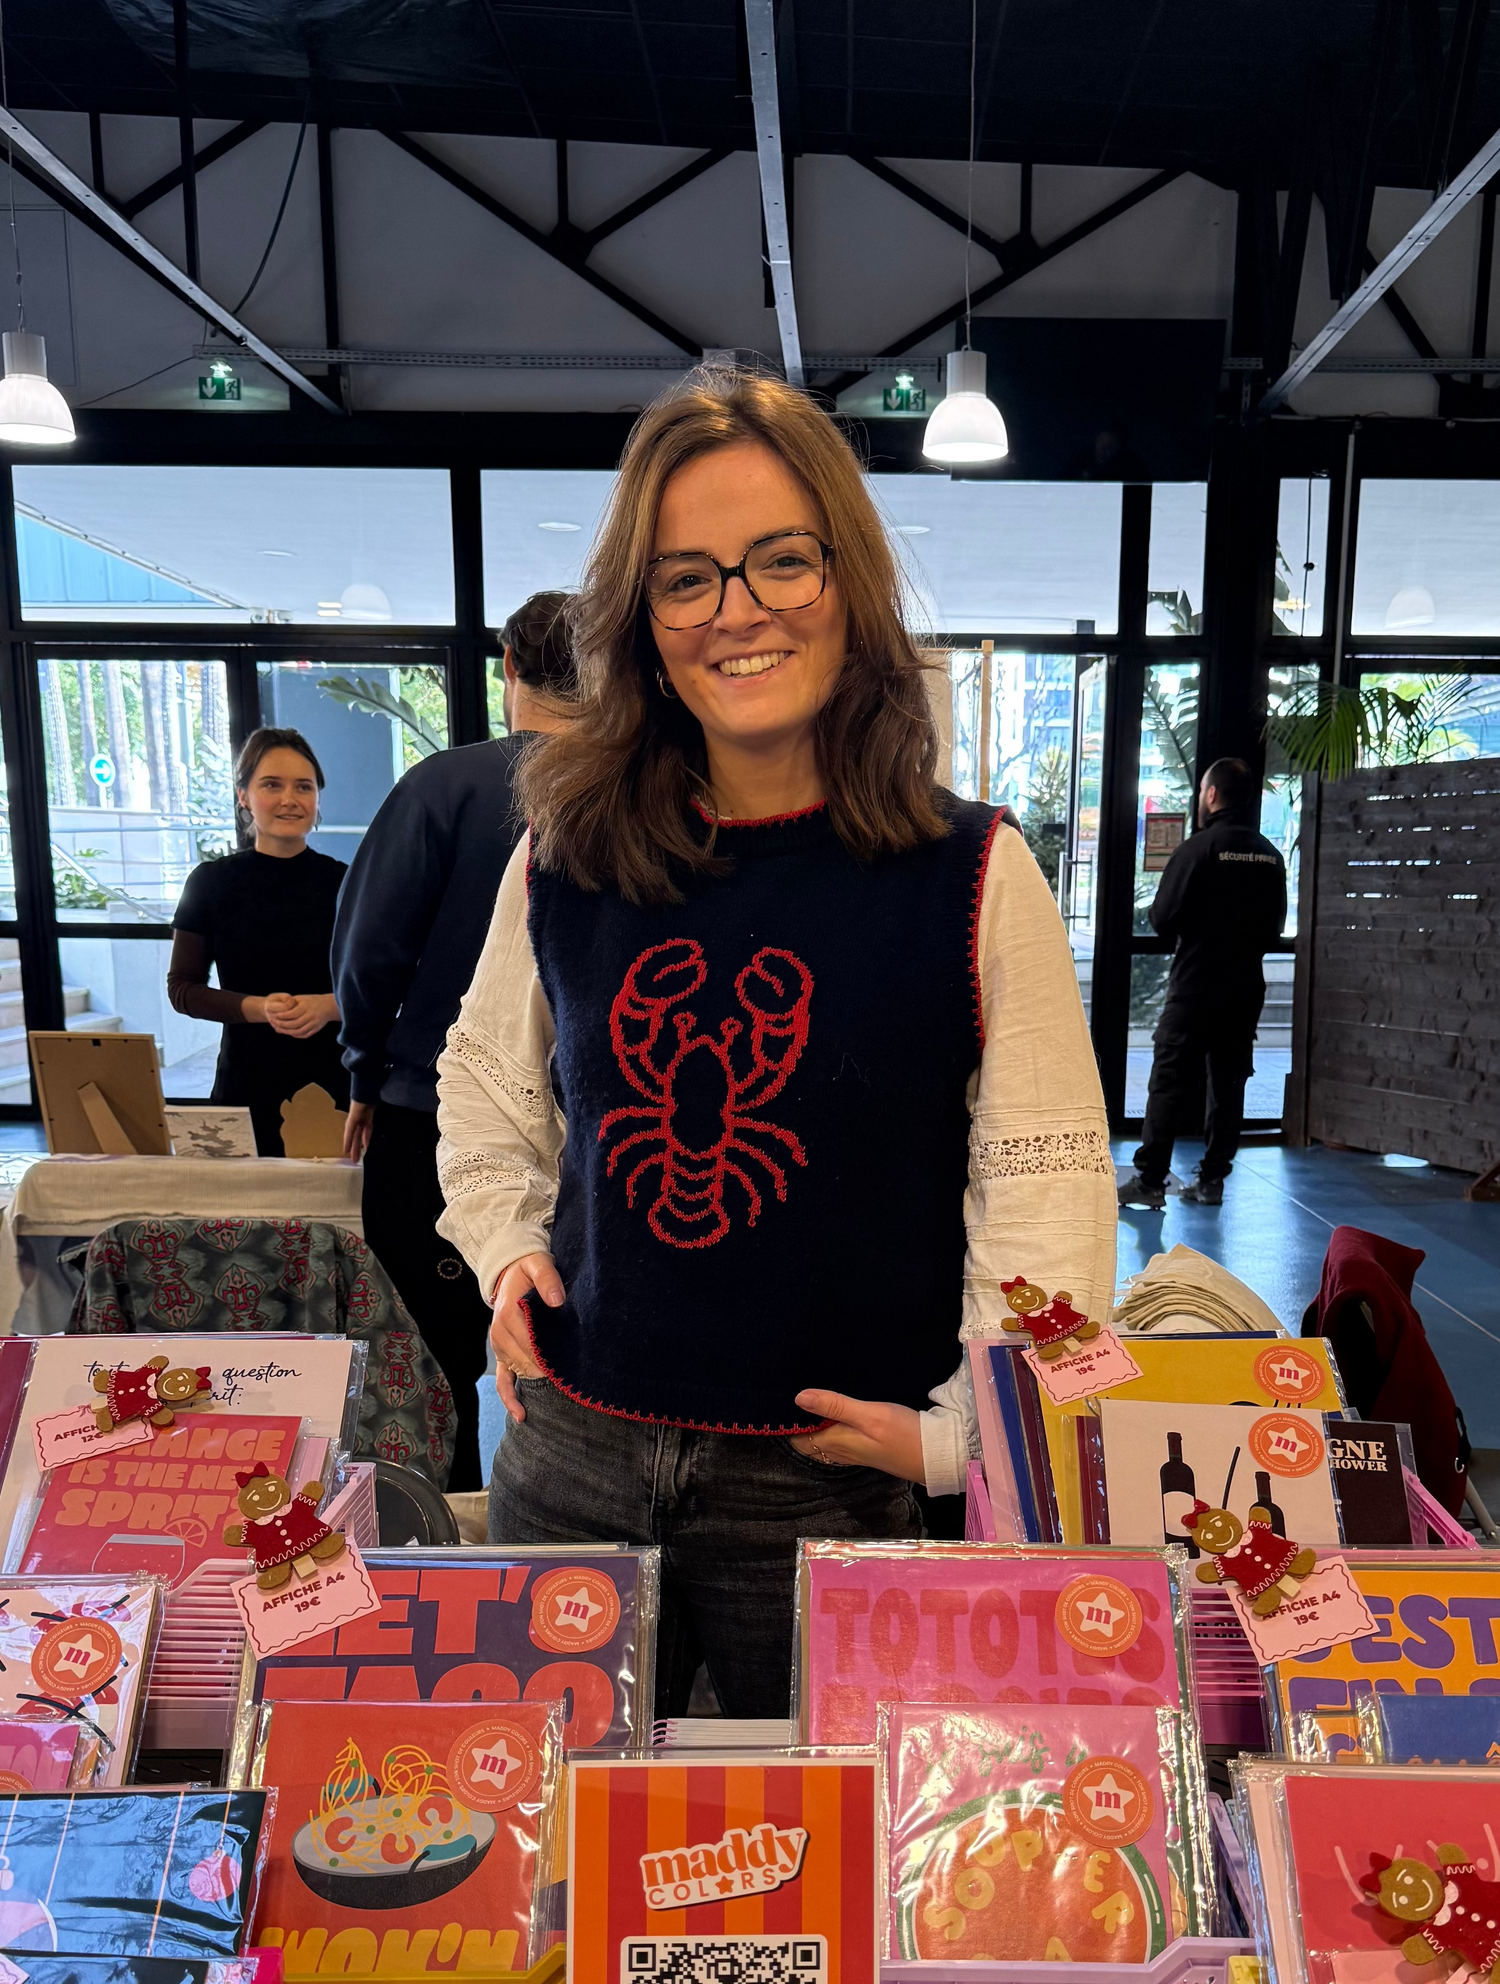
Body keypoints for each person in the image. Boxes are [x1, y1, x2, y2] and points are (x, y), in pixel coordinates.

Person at [434, 368, 1116, 1717]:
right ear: (644, 624)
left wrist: (960, 1442)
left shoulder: (979, 873)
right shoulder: (563, 851)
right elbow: (486, 1078)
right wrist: (505, 1244)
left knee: (830, 1839)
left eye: (782, 562)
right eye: (686, 581)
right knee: (540, 1821)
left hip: (834, 1487)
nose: (737, 611)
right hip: (573, 1452)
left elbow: (1047, 1195)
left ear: (850, 584)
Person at [333, 591, 575, 1492]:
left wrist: (364, 1071)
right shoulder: (642, 792)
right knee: (565, 1358)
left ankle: (440, 1531)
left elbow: (369, 952)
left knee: (427, 1363)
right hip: (590, 1137)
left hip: (434, 1116)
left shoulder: (445, 785)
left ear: (508, 666)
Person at [1118, 756, 1288, 1211]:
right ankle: (1213, 1180)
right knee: (1229, 1083)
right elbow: (1274, 928)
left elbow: (1162, 918)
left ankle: (1150, 1180)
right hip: (1245, 990)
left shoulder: (1198, 850)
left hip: (1195, 987)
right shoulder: (1270, 856)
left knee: (1169, 1081)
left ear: (1211, 795)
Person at [168, 727, 347, 1157]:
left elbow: (388, 986)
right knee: (239, 1199)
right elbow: (183, 989)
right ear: (244, 796)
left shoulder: (347, 883)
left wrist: (329, 1006)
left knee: (332, 1201)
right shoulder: (210, 883)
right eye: (271, 785)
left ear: (317, 798)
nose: (290, 799)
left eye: (303, 787)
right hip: (244, 1083)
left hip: (335, 1088)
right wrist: (260, 1009)